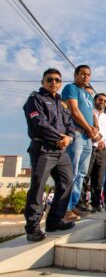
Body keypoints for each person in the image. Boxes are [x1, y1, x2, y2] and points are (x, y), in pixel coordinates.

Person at [23, 68, 76, 242]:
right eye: (50, 79)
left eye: (57, 80)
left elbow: (70, 124)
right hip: (43, 149)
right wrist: (60, 138)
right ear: (42, 82)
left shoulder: (62, 103)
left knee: (67, 183)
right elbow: (39, 123)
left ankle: (54, 220)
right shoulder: (35, 99)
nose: (54, 82)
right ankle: (33, 227)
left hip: (61, 151)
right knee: (39, 186)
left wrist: (69, 137)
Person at [62, 65, 98, 221]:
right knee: (73, 171)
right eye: (82, 74)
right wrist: (88, 128)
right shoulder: (71, 88)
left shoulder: (88, 95)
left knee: (82, 174)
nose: (85, 77)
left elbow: (91, 114)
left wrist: (95, 129)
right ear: (75, 75)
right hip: (76, 134)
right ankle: (65, 208)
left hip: (88, 138)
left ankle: (73, 205)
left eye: (88, 74)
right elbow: (74, 111)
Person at [81, 92, 106, 213]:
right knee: (85, 175)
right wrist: (95, 137)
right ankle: (82, 203)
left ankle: (96, 203)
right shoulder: (89, 112)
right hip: (89, 147)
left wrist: (104, 143)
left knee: (99, 179)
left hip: (102, 150)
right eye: (100, 100)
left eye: (105, 101)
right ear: (95, 101)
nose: (102, 102)